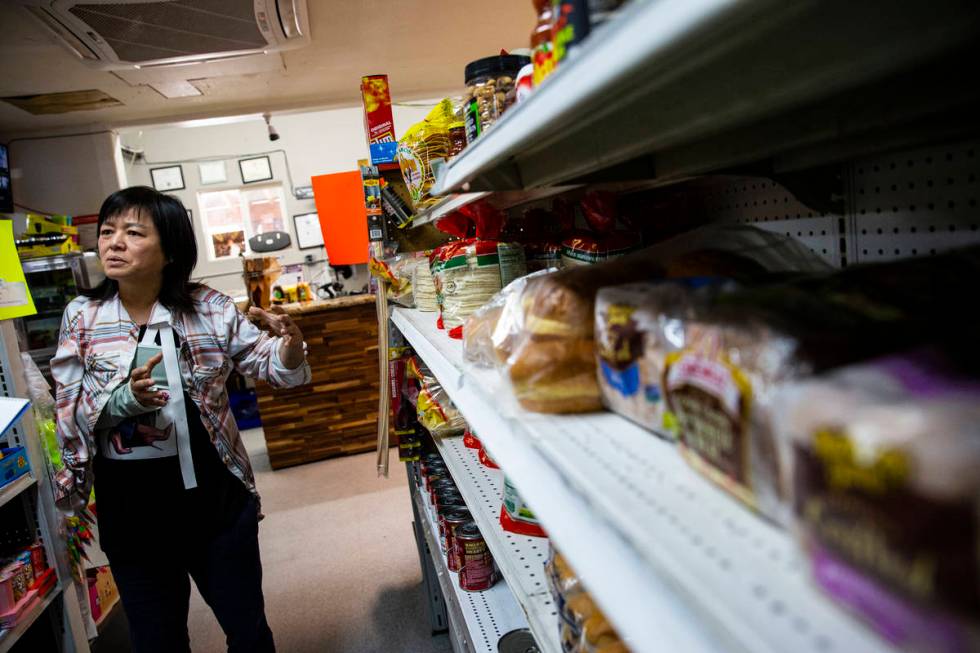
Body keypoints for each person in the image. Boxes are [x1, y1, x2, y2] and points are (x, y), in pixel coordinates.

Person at [51, 186, 311, 653]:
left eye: (132, 232)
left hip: (215, 504)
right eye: (107, 232)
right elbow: (68, 410)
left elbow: (270, 366)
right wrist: (122, 402)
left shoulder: (209, 307)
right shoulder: (82, 317)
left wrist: (291, 348)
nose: (113, 243)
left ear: (170, 250)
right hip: (132, 513)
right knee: (158, 639)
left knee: (247, 629)